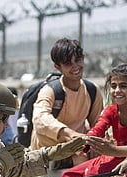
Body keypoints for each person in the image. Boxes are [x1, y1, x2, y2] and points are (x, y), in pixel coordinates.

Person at [30, 38, 104, 168]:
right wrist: (69, 134)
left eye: (78, 60)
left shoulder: (92, 90)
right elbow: (39, 118)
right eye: (68, 63)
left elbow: (99, 123)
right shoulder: (50, 91)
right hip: (48, 153)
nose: (75, 66)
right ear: (58, 67)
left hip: (78, 149)